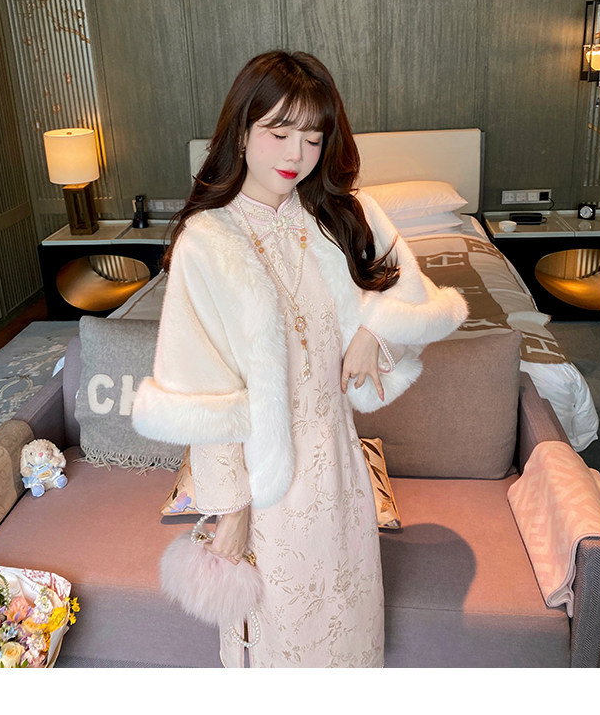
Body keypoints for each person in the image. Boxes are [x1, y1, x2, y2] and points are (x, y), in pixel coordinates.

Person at [133, 50, 467, 667]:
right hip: (267, 490)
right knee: (278, 650)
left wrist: (375, 332)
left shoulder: (338, 214)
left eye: (313, 138)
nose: (297, 155)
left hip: (341, 474)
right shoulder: (207, 243)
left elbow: (418, 297)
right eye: (279, 133)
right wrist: (232, 511)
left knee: (351, 636)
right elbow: (207, 401)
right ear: (241, 132)